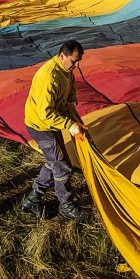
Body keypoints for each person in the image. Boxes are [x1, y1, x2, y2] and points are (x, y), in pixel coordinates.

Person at [21, 40, 90, 221]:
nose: (76, 66)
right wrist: (70, 125)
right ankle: (65, 204)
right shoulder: (49, 77)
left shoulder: (65, 70)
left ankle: (33, 199)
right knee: (62, 166)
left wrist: (72, 100)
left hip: (51, 123)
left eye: (78, 62)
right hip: (41, 126)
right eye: (73, 61)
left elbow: (71, 84)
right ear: (62, 56)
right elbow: (45, 113)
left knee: (54, 161)